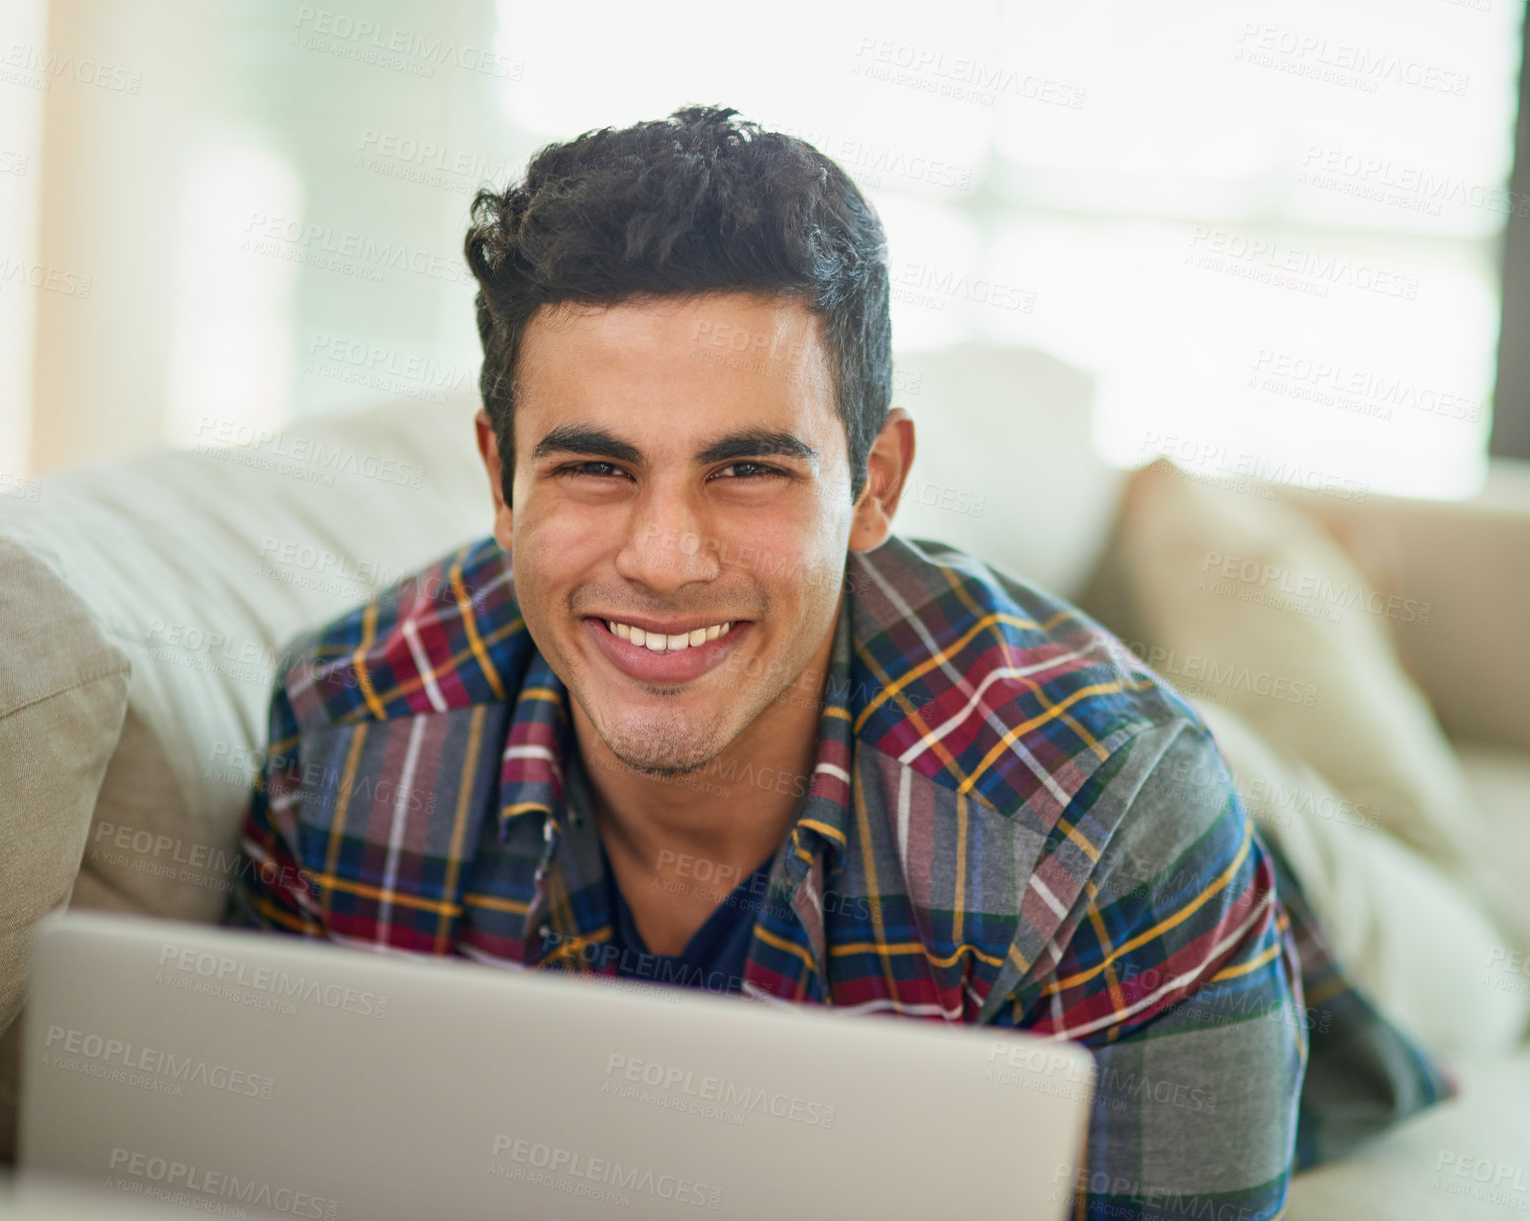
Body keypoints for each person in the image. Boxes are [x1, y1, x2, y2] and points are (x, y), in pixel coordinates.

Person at [228, 105, 1449, 1219]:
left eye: (746, 467)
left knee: (1372, 804)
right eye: (595, 467)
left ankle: (1254, 550)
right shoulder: (343, 735)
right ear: (498, 473)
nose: (661, 558)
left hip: (1315, 891)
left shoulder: (1118, 806)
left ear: (874, 485)